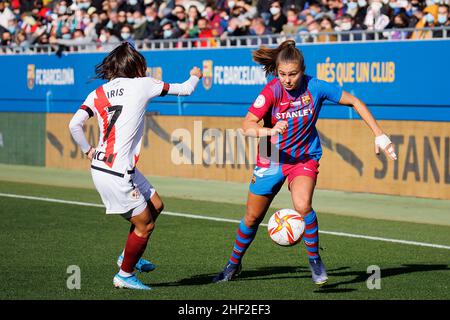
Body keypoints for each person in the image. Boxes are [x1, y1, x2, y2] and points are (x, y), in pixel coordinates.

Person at [212, 40, 397, 286]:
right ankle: (232, 266)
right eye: (282, 74)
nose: (287, 80)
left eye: (293, 74)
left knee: (303, 205)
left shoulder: (316, 86)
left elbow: (355, 101)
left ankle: (314, 261)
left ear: (303, 70)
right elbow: (246, 126)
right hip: (271, 155)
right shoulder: (271, 91)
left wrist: (379, 134)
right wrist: (269, 130)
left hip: (303, 157)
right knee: (252, 218)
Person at [69, 42, 203, 290]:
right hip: (116, 172)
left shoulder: (98, 93)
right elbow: (186, 89)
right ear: (136, 65)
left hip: (105, 166)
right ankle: (124, 274)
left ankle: (127, 256)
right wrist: (195, 75)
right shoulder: (142, 84)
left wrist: (88, 150)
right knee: (145, 224)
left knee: (156, 205)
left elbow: (73, 125)